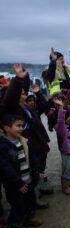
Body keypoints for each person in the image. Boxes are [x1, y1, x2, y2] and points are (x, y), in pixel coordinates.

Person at [0, 64, 50, 209]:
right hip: (28, 146)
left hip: (36, 144)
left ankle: (34, 199)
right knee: (24, 178)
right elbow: (11, 97)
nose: (26, 94)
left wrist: (24, 79)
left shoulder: (26, 106)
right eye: (22, 93)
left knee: (36, 171)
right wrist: (17, 79)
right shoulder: (12, 108)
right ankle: (27, 209)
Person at [0, 115, 43, 228]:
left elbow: (32, 157)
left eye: (22, 126)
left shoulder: (23, 141)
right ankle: (17, 225)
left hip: (28, 181)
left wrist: (38, 169)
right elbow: (5, 168)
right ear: (7, 128)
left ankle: (29, 218)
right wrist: (17, 183)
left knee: (31, 200)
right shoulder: (3, 146)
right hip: (15, 185)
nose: (21, 128)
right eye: (18, 126)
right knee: (17, 205)